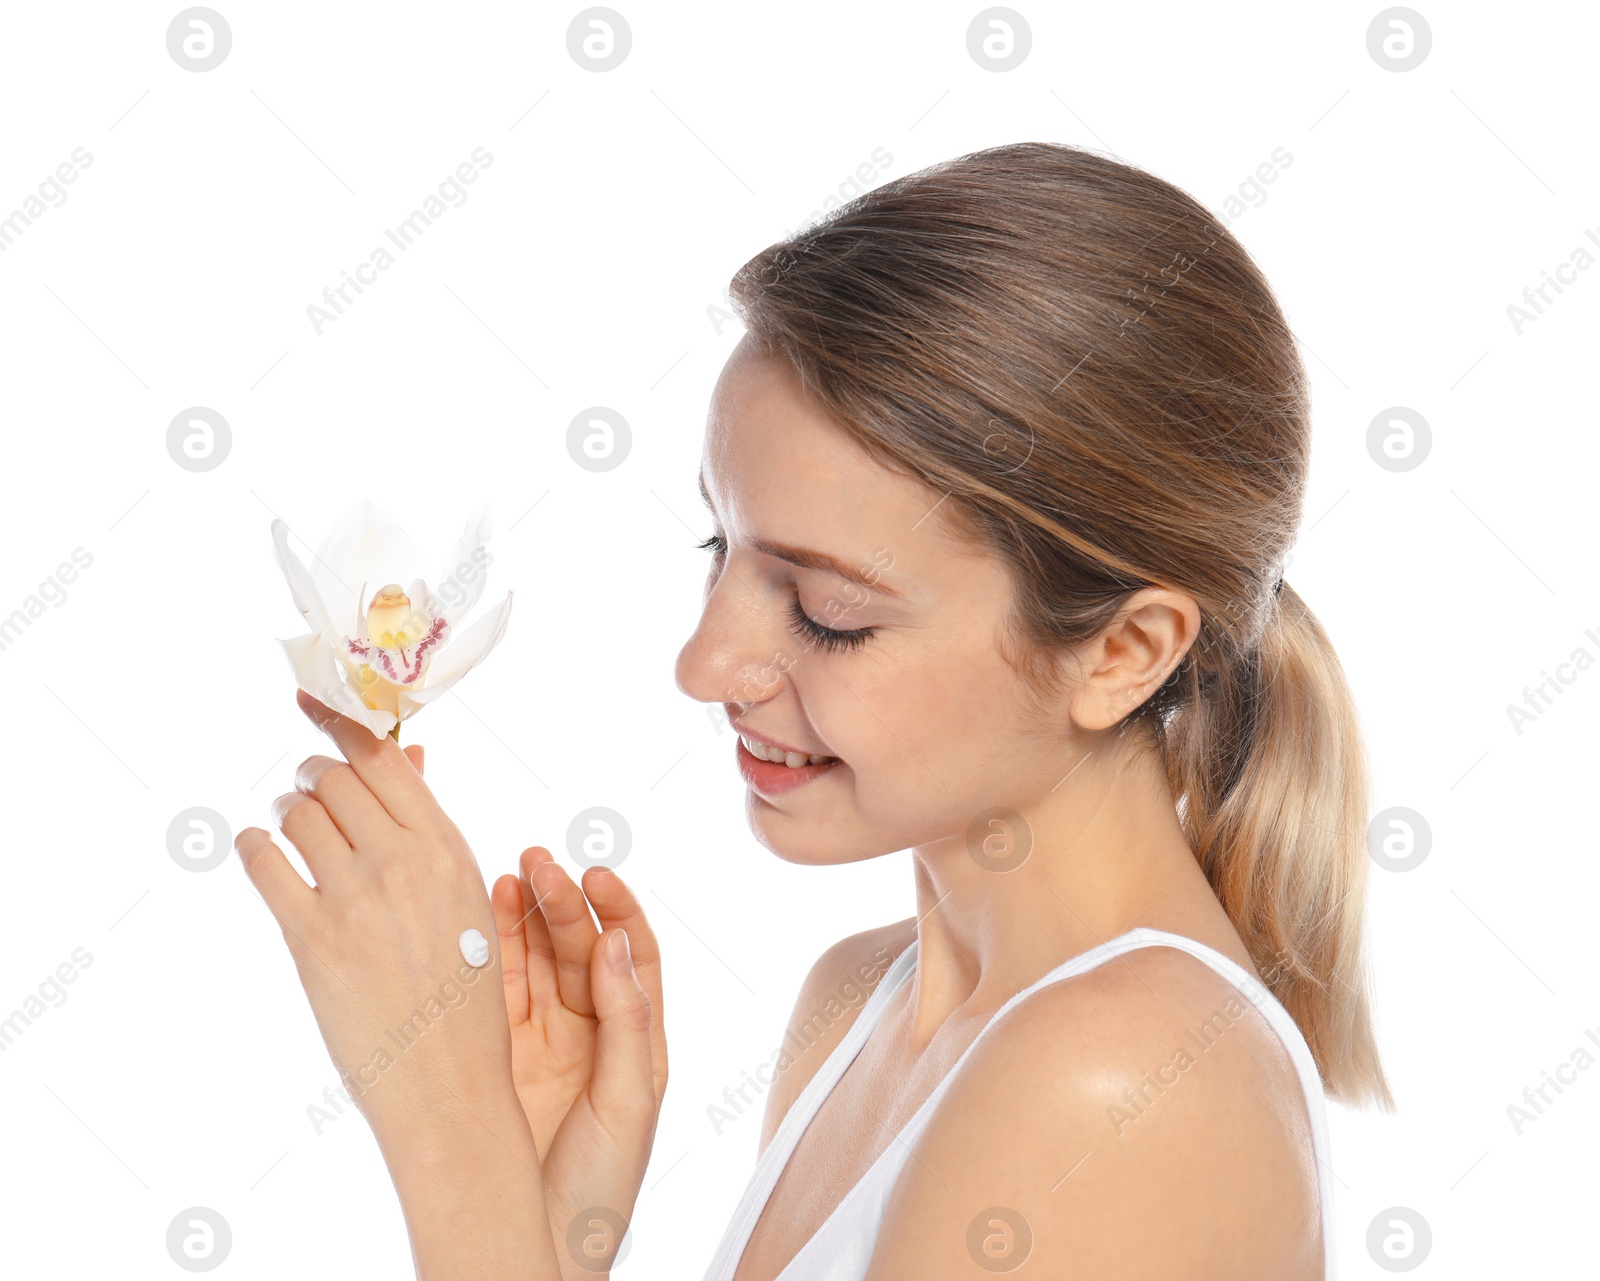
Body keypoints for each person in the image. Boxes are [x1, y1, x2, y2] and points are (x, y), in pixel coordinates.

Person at [238, 140, 1394, 1281]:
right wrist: (551, 1232)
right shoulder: (857, 1004)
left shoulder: (1121, 1082)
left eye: (830, 611)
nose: (704, 664)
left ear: (1122, 653)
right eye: (719, 546)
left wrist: (452, 1135)